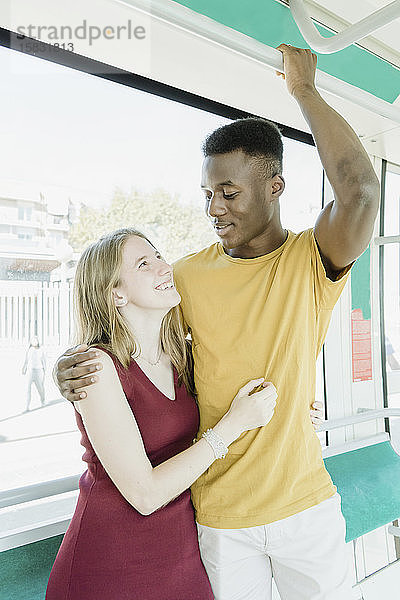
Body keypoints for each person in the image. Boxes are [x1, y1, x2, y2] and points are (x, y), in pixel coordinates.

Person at [54, 45, 380, 599]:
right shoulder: (184, 277)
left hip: (305, 507)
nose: (214, 208)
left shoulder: (312, 259)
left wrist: (303, 91)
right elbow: (126, 323)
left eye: (229, 193)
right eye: (207, 194)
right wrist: (71, 361)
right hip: (219, 518)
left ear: (275, 187)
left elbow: (361, 191)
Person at [45, 227, 278, 600]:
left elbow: (248, 399)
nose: (164, 267)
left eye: (158, 256)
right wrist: (232, 426)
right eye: (144, 264)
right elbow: (145, 494)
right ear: (115, 293)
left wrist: (299, 415)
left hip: (180, 556)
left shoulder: (184, 356)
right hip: (110, 566)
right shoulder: (96, 366)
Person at [22, 335, 46, 411]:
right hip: (30, 371)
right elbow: (26, 360)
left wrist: (44, 371)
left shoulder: (41, 349)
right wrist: (24, 368)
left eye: (36, 340)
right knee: (27, 388)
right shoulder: (29, 349)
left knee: (40, 388)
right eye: (33, 340)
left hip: (39, 371)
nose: (34, 342)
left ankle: (43, 401)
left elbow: (44, 361)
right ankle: (27, 406)